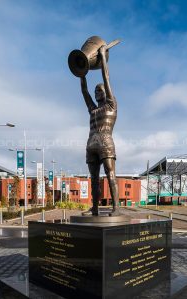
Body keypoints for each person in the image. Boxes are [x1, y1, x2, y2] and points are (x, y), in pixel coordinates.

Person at [80, 45, 119, 216]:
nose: (96, 92)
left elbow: (106, 77)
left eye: (100, 90)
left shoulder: (111, 105)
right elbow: (84, 91)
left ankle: (116, 208)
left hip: (105, 143)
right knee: (94, 180)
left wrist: (102, 57)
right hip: (91, 145)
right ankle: (94, 209)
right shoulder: (93, 110)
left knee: (110, 175)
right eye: (96, 91)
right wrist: (82, 71)